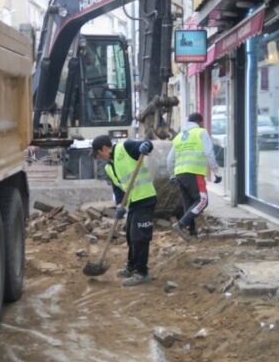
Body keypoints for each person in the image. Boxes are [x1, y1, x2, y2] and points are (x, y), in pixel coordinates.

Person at [91, 135, 157, 286]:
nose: (99, 158)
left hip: (145, 198)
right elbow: (118, 189)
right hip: (134, 202)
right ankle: (132, 267)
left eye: (99, 154)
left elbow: (147, 144)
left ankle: (142, 273)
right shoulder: (109, 167)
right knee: (130, 236)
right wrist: (120, 205)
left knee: (140, 237)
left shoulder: (125, 148)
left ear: (105, 148)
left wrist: (145, 147)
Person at [167, 112, 221, 240]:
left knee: (189, 204)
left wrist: (172, 175)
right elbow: (208, 153)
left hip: (180, 174)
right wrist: (216, 172)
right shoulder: (201, 132)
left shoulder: (179, 137)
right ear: (200, 122)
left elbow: (169, 159)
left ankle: (192, 233)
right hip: (194, 172)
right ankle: (181, 225)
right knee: (203, 201)